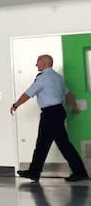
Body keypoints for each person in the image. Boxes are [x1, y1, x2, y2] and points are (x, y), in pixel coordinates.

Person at [10, 54, 89, 182]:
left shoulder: (42, 78)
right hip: (56, 112)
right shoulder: (58, 77)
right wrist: (73, 106)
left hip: (50, 114)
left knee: (62, 144)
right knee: (42, 143)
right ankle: (34, 172)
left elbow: (28, 93)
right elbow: (68, 93)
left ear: (45, 63)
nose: (36, 64)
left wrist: (16, 105)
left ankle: (80, 172)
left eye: (38, 62)